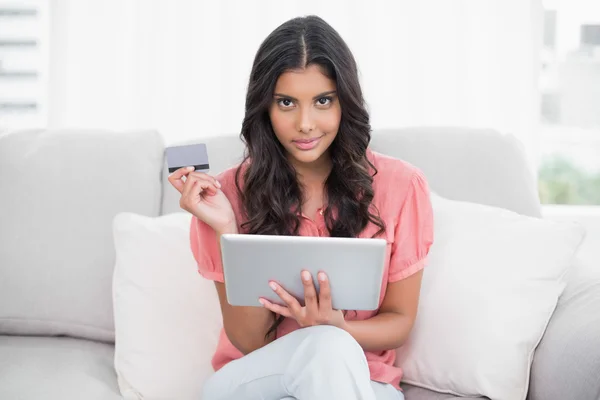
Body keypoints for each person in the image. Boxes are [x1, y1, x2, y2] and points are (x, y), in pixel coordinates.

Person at [168, 15, 434, 400]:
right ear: (265, 107)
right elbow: (249, 342)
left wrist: (335, 326)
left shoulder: (401, 186)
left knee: (332, 346)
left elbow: (400, 321)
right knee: (327, 347)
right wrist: (229, 229)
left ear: (346, 102)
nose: (305, 124)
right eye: (287, 102)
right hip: (257, 381)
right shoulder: (225, 194)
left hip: (364, 383)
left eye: (323, 101)